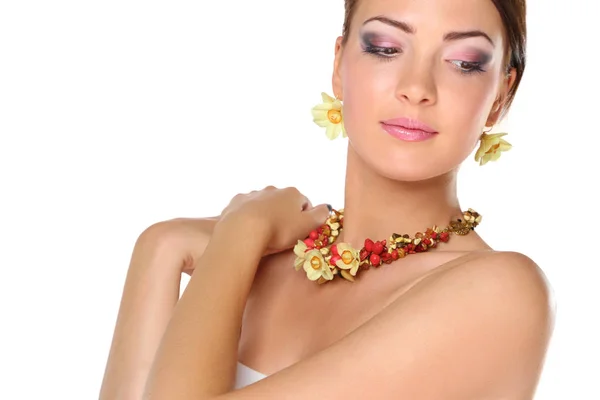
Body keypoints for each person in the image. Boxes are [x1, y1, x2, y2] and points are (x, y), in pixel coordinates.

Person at [99, 0, 555, 398]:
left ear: (501, 95)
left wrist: (241, 232)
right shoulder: (252, 267)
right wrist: (160, 247)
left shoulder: (500, 293)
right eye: (385, 48)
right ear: (339, 66)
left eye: (463, 61)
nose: (417, 87)